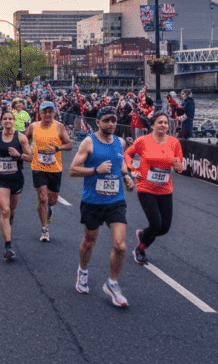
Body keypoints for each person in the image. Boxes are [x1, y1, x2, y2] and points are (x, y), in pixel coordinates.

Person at [68, 108, 134, 307]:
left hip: (115, 200)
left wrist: (127, 176)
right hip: (93, 201)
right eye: (107, 120)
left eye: (114, 120)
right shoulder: (89, 142)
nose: (112, 124)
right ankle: (83, 271)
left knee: (120, 245)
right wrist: (95, 170)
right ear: (98, 122)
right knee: (90, 241)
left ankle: (113, 284)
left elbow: (120, 163)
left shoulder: (119, 142)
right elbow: (73, 170)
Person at [124, 112, 185, 265]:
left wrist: (178, 167)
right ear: (152, 125)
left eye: (166, 122)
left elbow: (179, 166)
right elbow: (127, 154)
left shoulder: (174, 142)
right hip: (146, 187)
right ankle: (141, 248)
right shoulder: (143, 141)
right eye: (160, 122)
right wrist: (133, 169)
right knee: (156, 224)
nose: (164, 125)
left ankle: (143, 235)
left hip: (165, 188)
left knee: (164, 228)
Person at [0, 111, 31, 259]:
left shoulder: (21, 138)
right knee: (5, 210)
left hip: (16, 178)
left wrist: (18, 155)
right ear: (1, 121)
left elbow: (30, 157)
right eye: (5, 119)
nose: (7, 121)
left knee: (11, 211)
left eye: (10, 119)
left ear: (14, 121)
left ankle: (8, 224)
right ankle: (8, 246)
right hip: (0, 178)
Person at [27, 101, 73, 242]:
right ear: (39, 113)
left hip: (54, 168)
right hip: (38, 167)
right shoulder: (33, 127)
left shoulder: (59, 127)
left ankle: (50, 209)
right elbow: (23, 140)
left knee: (51, 200)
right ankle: (45, 229)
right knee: (42, 198)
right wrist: (27, 151)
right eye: (44, 111)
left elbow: (69, 145)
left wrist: (57, 149)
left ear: (54, 112)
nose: (47, 114)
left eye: (50, 111)